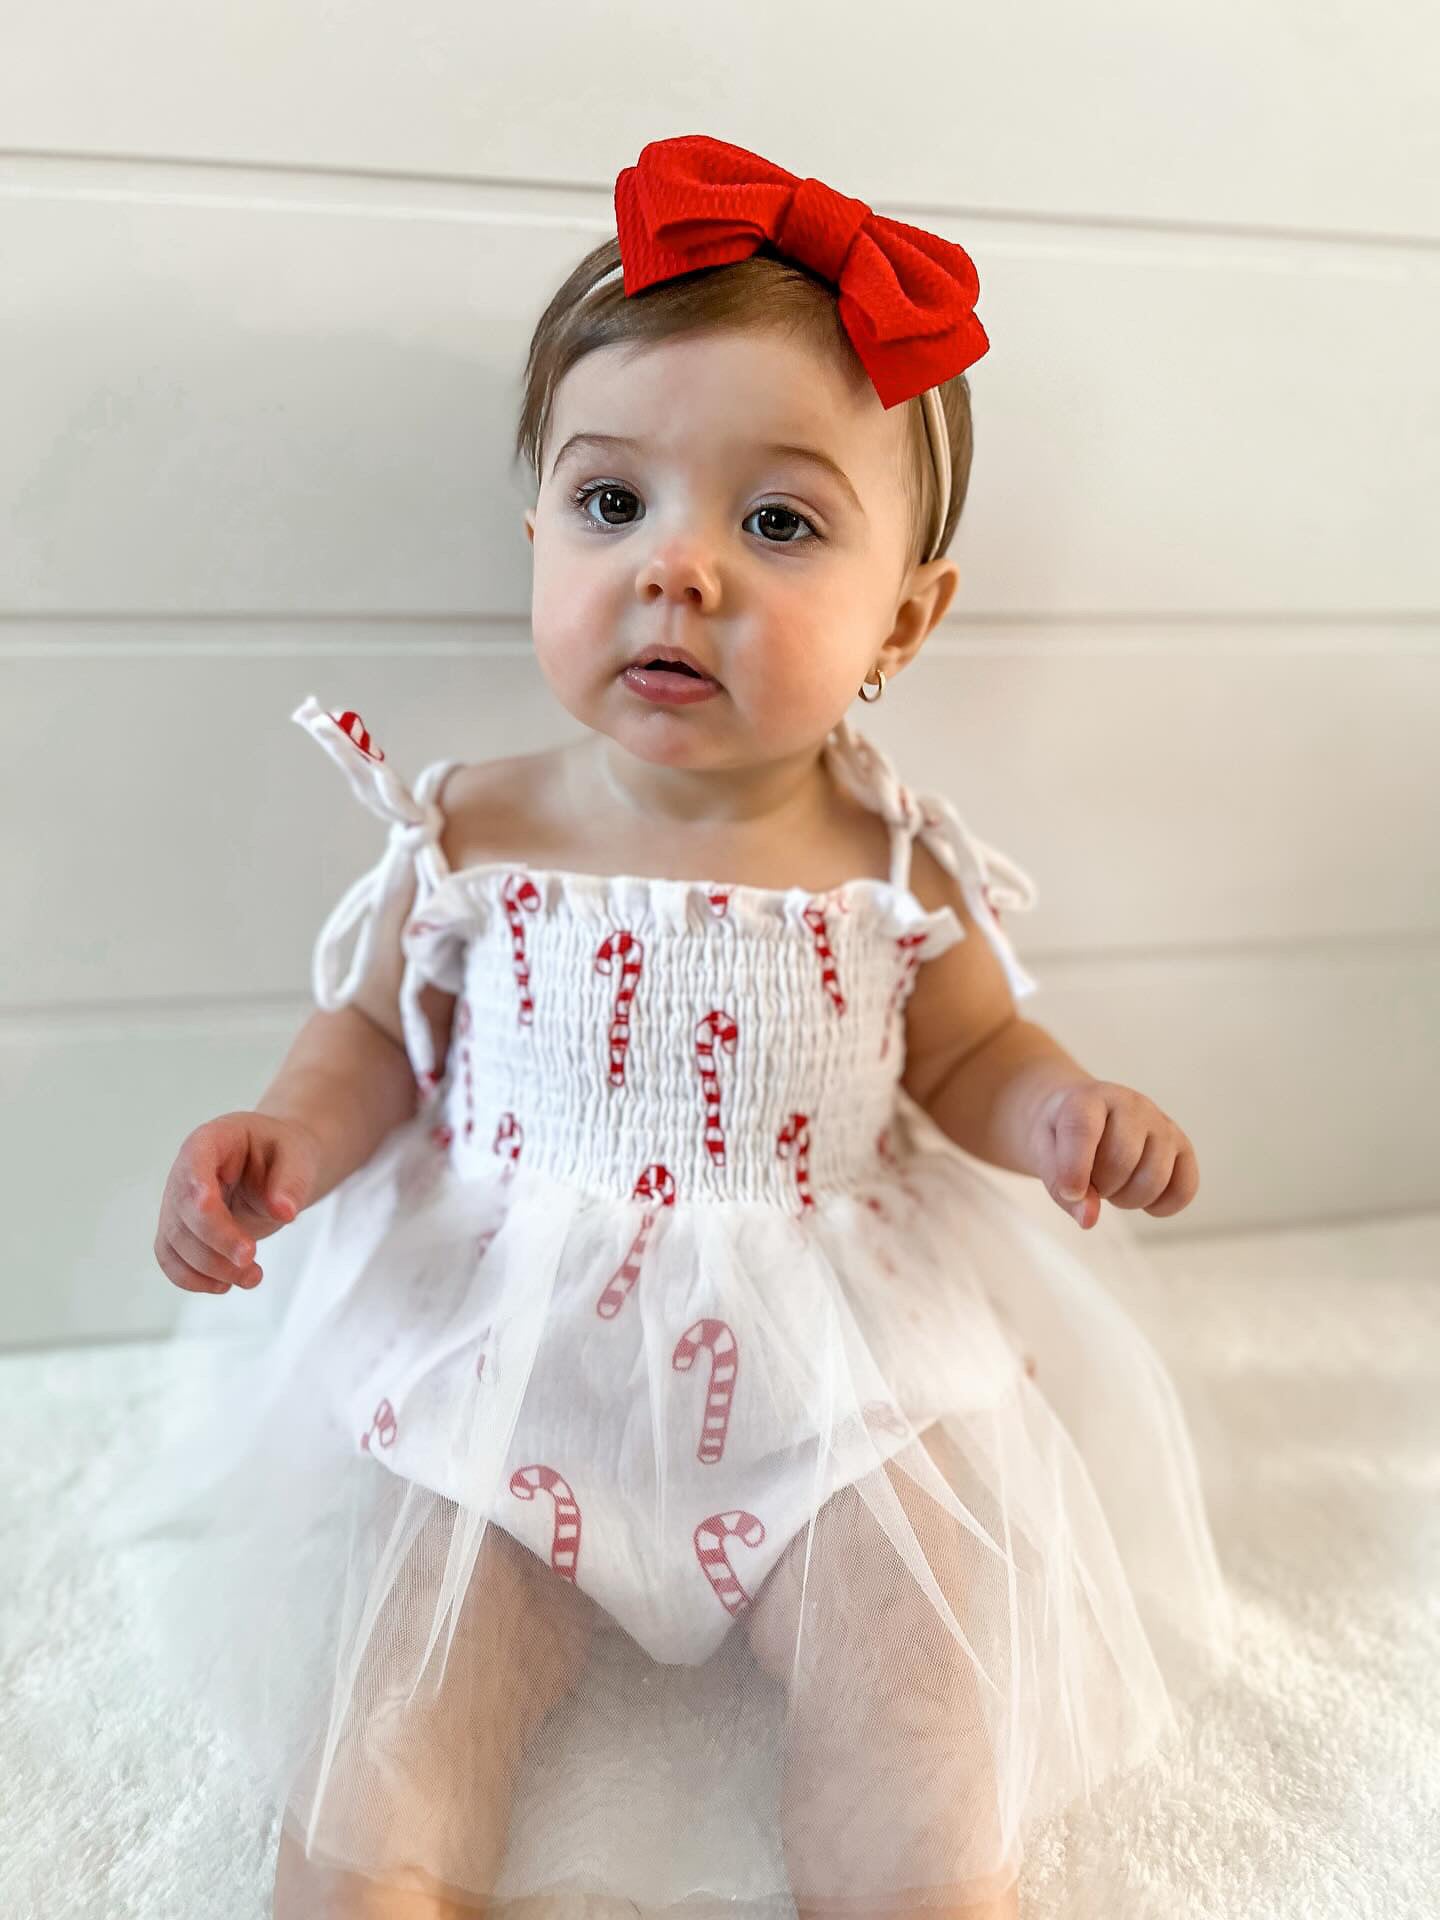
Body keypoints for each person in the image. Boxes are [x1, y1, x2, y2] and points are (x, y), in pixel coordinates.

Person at [103, 134, 1235, 1919]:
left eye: (778, 522)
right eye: (613, 502)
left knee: (921, 1669)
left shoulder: (888, 864)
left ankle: (914, 1884)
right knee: (404, 1678)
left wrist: (1062, 1112)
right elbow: (378, 1039)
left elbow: (969, 1056)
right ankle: (375, 1883)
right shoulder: (475, 830)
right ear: (540, 528)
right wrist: (286, 1143)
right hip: (508, 1350)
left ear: (905, 622)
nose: (679, 569)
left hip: (824, 1364)